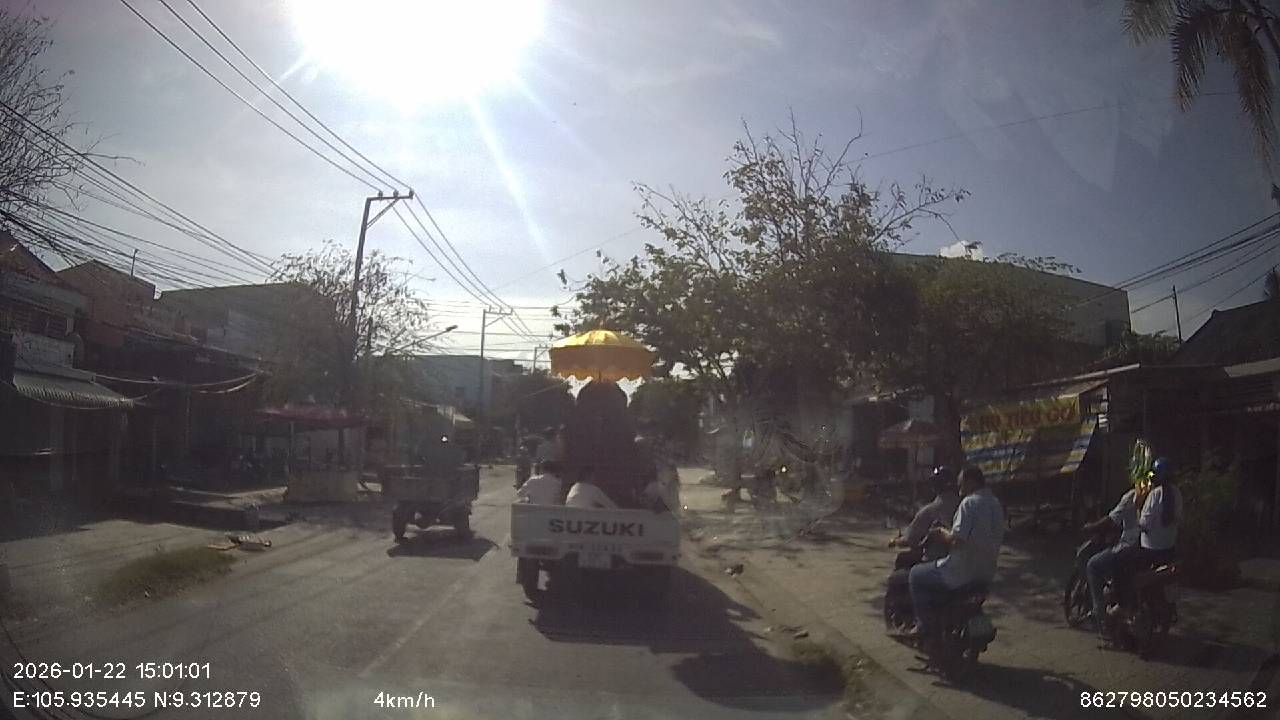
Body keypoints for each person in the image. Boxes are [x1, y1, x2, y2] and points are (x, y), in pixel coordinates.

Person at [907, 465, 1005, 645]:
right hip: (986, 573)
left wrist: (940, 532)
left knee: (915, 575)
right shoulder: (995, 504)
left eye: (961, 481)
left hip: (961, 571)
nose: (959, 485)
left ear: (971, 481)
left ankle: (924, 625)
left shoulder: (969, 503)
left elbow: (956, 539)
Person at [1111, 457, 1182, 612]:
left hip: (1149, 550)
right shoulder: (1177, 493)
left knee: (1118, 561)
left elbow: (1143, 524)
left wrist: (1138, 509)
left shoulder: (1155, 495)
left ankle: (1123, 604)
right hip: (1169, 549)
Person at [1081, 482, 1143, 639]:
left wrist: (1091, 527)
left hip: (1130, 547)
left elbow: (1111, 520)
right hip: (1152, 549)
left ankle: (1100, 614)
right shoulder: (1165, 494)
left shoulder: (1132, 496)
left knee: (1093, 565)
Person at [889, 466, 961, 567]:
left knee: (901, 561)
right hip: (963, 562)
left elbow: (909, 540)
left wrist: (895, 541)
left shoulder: (929, 511)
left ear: (934, 486)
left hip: (936, 564)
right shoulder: (965, 506)